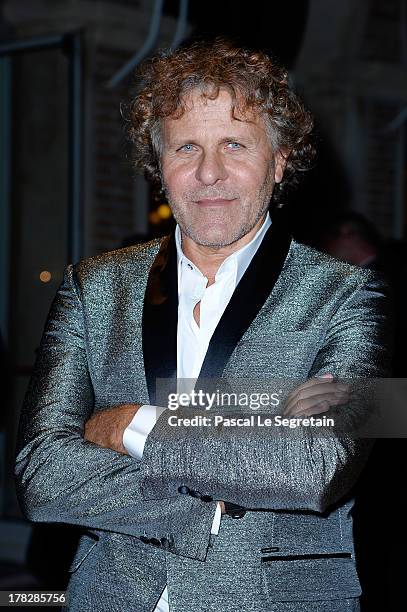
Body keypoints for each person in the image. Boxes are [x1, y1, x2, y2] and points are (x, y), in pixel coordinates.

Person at [15, 40, 392, 612]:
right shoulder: (93, 287)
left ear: (280, 159)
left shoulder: (353, 293)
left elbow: (319, 465)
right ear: (158, 166)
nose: (209, 172)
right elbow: (42, 473)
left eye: (235, 144)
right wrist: (217, 503)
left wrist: (137, 424)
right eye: (186, 146)